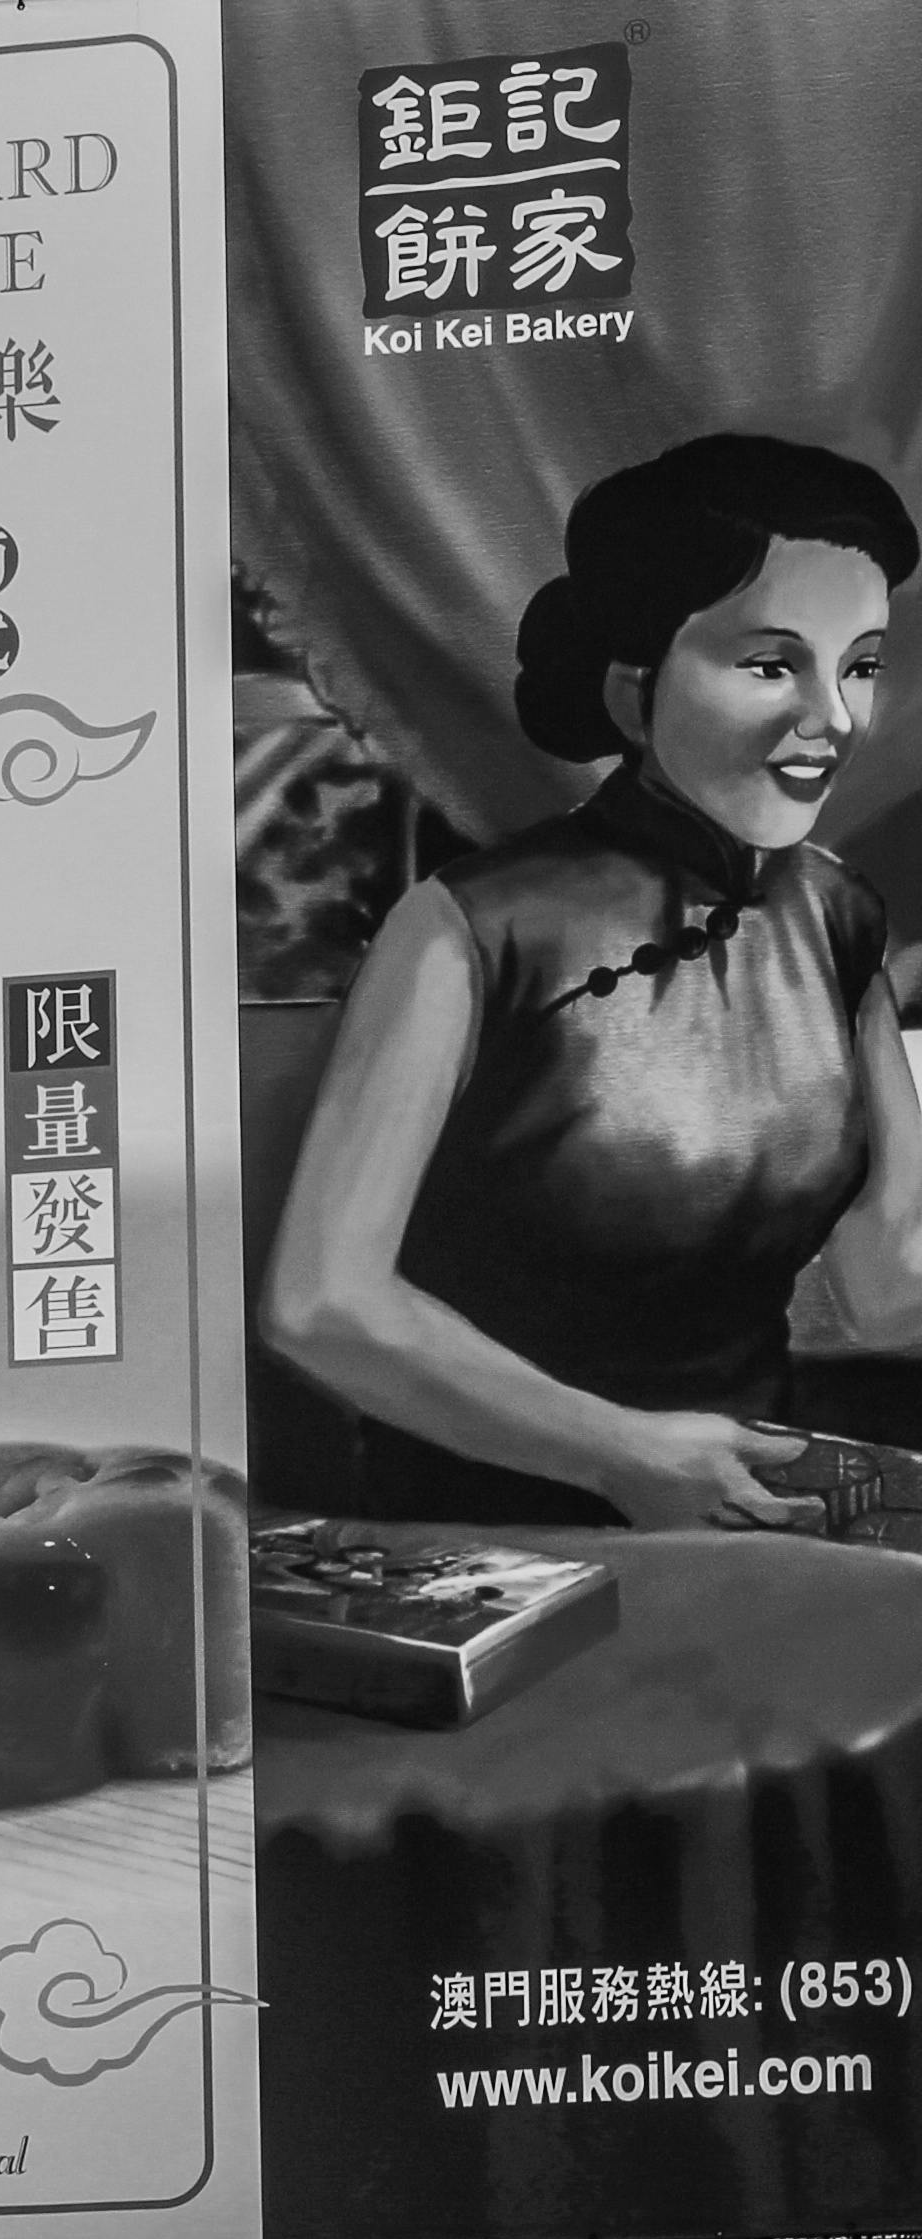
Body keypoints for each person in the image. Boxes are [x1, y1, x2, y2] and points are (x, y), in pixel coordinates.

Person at [266, 432, 922, 1526]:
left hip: (764, 1520)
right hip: (498, 1547)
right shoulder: (465, 929)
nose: (835, 719)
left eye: (858, 663)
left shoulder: (838, 913)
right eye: (772, 664)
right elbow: (319, 1303)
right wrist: (620, 1453)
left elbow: (885, 1276)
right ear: (633, 687)